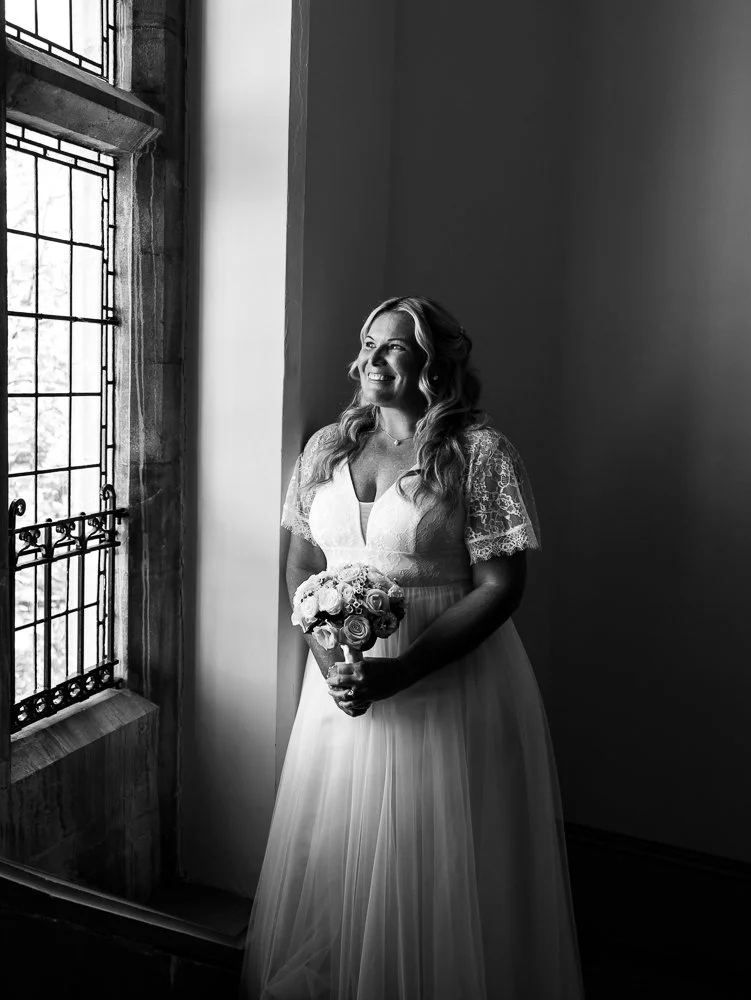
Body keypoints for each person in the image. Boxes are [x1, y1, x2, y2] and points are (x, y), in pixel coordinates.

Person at [241, 297, 584, 999]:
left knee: (434, 856)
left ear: (435, 362)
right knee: (342, 844)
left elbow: (499, 586)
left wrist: (404, 671)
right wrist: (334, 667)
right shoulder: (325, 450)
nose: (372, 359)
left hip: (447, 678)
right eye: (368, 343)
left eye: (394, 347)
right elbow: (303, 568)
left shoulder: (479, 455)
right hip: (339, 684)